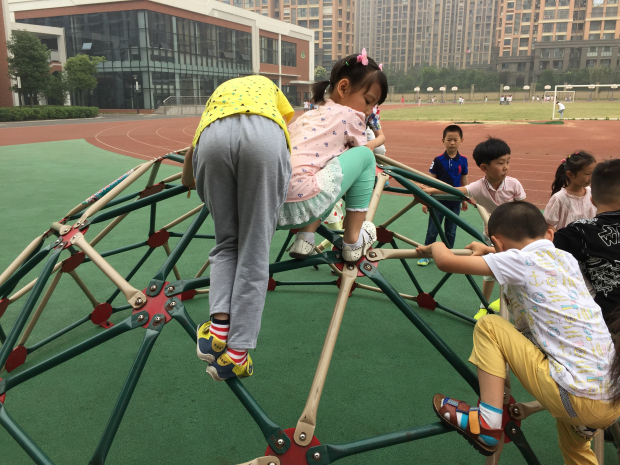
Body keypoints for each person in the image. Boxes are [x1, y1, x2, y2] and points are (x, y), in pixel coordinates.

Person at [415, 201, 620, 463]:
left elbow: (446, 262)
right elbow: (520, 258)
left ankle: (488, 422)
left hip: (575, 395)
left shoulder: (520, 261)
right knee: (576, 450)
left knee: (490, 325)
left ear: (498, 243)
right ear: (550, 234)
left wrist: (435, 246)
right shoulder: (565, 258)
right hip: (611, 398)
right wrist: (491, 251)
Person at [182, 75, 294, 381]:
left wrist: (188, 180)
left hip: (211, 140)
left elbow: (191, 158)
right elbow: (284, 127)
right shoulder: (271, 92)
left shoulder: (218, 101)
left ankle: (218, 331)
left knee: (226, 242)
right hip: (265, 139)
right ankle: (237, 353)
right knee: (254, 248)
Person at [279, 50, 388, 263]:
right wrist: (369, 149)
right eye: (368, 101)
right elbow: (359, 152)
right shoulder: (351, 115)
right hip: (305, 202)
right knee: (365, 157)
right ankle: (353, 240)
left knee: (321, 167)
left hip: (273, 205)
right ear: (343, 87)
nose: (368, 111)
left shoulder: (309, 115)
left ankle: (305, 238)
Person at [421, 137, 526, 318]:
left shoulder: (514, 184)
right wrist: (430, 191)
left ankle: (511, 301)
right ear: (484, 168)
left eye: (508, 162)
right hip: (492, 235)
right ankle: (483, 305)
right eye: (501, 163)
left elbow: (524, 209)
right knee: (490, 272)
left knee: (515, 269)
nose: (506, 167)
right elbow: (456, 190)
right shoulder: (478, 187)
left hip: (515, 234)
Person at [554, 158, 620, 326]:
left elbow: (534, 249)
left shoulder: (579, 231)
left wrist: (491, 249)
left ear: (592, 200)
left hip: (608, 325)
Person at [417, 124, 469, 266]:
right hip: (437, 202)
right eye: (449, 139)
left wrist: (465, 198)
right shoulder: (438, 160)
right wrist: (426, 200)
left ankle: (448, 254)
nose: (452, 143)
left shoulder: (463, 160)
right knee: (432, 230)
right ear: (443, 141)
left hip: (455, 202)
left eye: (455, 139)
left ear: (461, 140)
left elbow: (464, 180)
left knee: (451, 231)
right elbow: (430, 181)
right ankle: (427, 255)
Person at [544, 151, 597, 232]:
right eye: (587, 174)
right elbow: (549, 224)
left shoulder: (591, 192)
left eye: (594, 172)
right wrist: (560, 238)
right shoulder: (559, 198)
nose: (592, 177)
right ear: (570, 175)